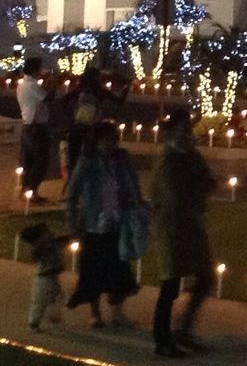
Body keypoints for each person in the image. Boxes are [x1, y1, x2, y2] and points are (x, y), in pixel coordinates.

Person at [151, 108, 216, 358]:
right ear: (172, 131)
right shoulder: (168, 160)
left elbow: (208, 181)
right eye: (183, 129)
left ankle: (183, 329)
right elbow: (175, 198)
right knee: (170, 285)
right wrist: (197, 192)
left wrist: (197, 191)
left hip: (191, 226)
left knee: (205, 277)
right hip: (171, 228)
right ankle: (162, 339)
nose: (188, 134)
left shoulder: (190, 155)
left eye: (189, 129)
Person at [64, 120, 142, 328]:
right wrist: (73, 221)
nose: (110, 145)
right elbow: (71, 194)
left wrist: (137, 207)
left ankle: (117, 312)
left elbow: (133, 185)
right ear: (96, 142)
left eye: (113, 140)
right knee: (93, 272)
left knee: (120, 270)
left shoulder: (121, 161)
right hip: (93, 225)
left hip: (118, 224)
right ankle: (95, 314)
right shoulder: (86, 162)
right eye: (105, 141)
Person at [67, 68, 130, 179]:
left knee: (74, 157)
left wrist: (70, 118)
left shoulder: (81, 90)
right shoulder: (100, 91)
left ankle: (73, 182)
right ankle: (87, 181)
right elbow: (119, 101)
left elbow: (63, 101)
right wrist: (126, 89)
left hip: (78, 125)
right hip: (91, 128)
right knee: (90, 156)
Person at [19, 221, 68, 331]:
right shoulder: (43, 247)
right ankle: (33, 323)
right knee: (39, 301)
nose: (50, 233)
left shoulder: (49, 243)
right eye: (46, 232)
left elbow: (60, 241)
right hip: (44, 278)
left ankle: (53, 316)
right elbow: (46, 248)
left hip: (52, 277)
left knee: (57, 297)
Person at [17, 56, 52, 202]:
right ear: (34, 69)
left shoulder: (22, 84)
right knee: (42, 159)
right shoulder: (32, 85)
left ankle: (25, 189)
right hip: (37, 126)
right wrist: (51, 84)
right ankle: (32, 190)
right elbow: (48, 98)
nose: (41, 70)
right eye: (39, 67)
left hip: (27, 125)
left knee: (29, 159)